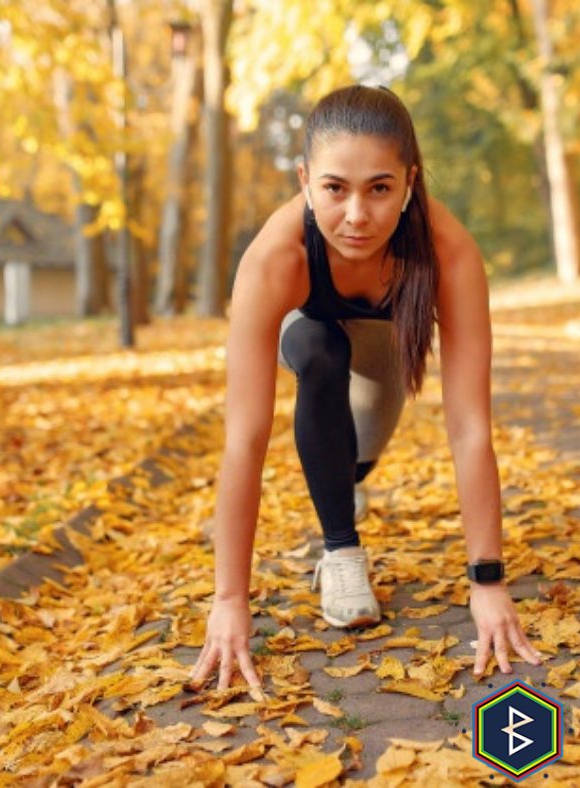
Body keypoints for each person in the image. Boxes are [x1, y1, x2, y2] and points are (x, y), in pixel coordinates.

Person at [191, 85, 542, 694]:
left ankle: (347, 480)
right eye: (335, 188)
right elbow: (244, 440)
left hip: (383, 342)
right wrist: (228, 600)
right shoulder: (275, 257)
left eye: (379, 188)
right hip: (310, 326)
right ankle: (342, 552)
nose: (357, 215)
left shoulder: (448, 251)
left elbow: (469, 428)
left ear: (410, 183)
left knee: (359, 451)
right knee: (320, 351)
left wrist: (487, 582)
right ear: (305, 182)